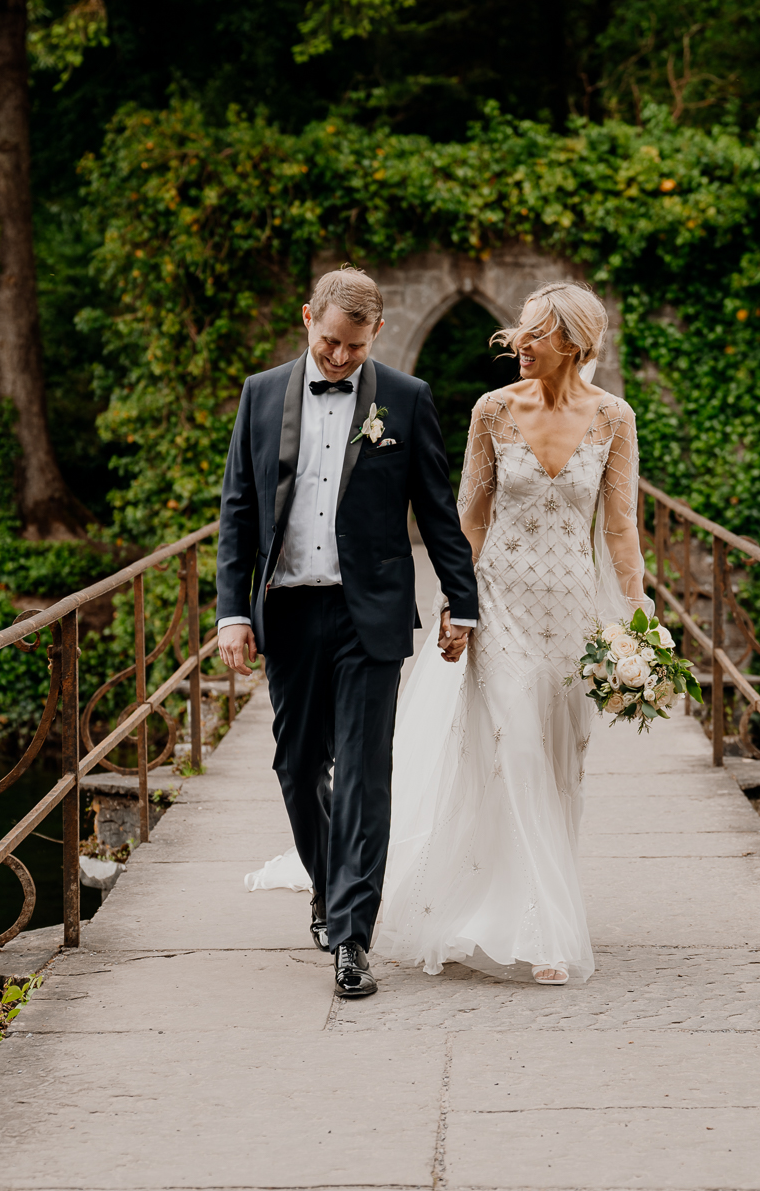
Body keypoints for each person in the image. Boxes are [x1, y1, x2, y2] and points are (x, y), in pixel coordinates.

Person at [216, 267, 480, 1000]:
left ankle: (352, 936)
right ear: (308, 319)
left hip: (373, 614)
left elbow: (436, 509)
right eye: (330, 342)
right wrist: (232, 612)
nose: (339, 358)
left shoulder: (405, 399)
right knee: (298, 768)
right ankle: (330, 882)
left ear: (377, 335)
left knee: (366, 773)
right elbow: (238, 510)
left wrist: (464, 602)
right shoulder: (261, 394)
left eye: (354, 348)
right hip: (290, 612)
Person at [376, 281, 648, 985]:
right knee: (517, 750)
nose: (516, 344)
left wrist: (639, 623)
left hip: (575, 618)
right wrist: (453, 608)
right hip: (500, 608)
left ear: (574, 343)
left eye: (534, 334)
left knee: (560, 763)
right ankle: (548, 939)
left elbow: (620, 527)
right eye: (518, 333)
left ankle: (529, 906)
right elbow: (470, 518)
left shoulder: (614, 418)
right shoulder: (491, 411)